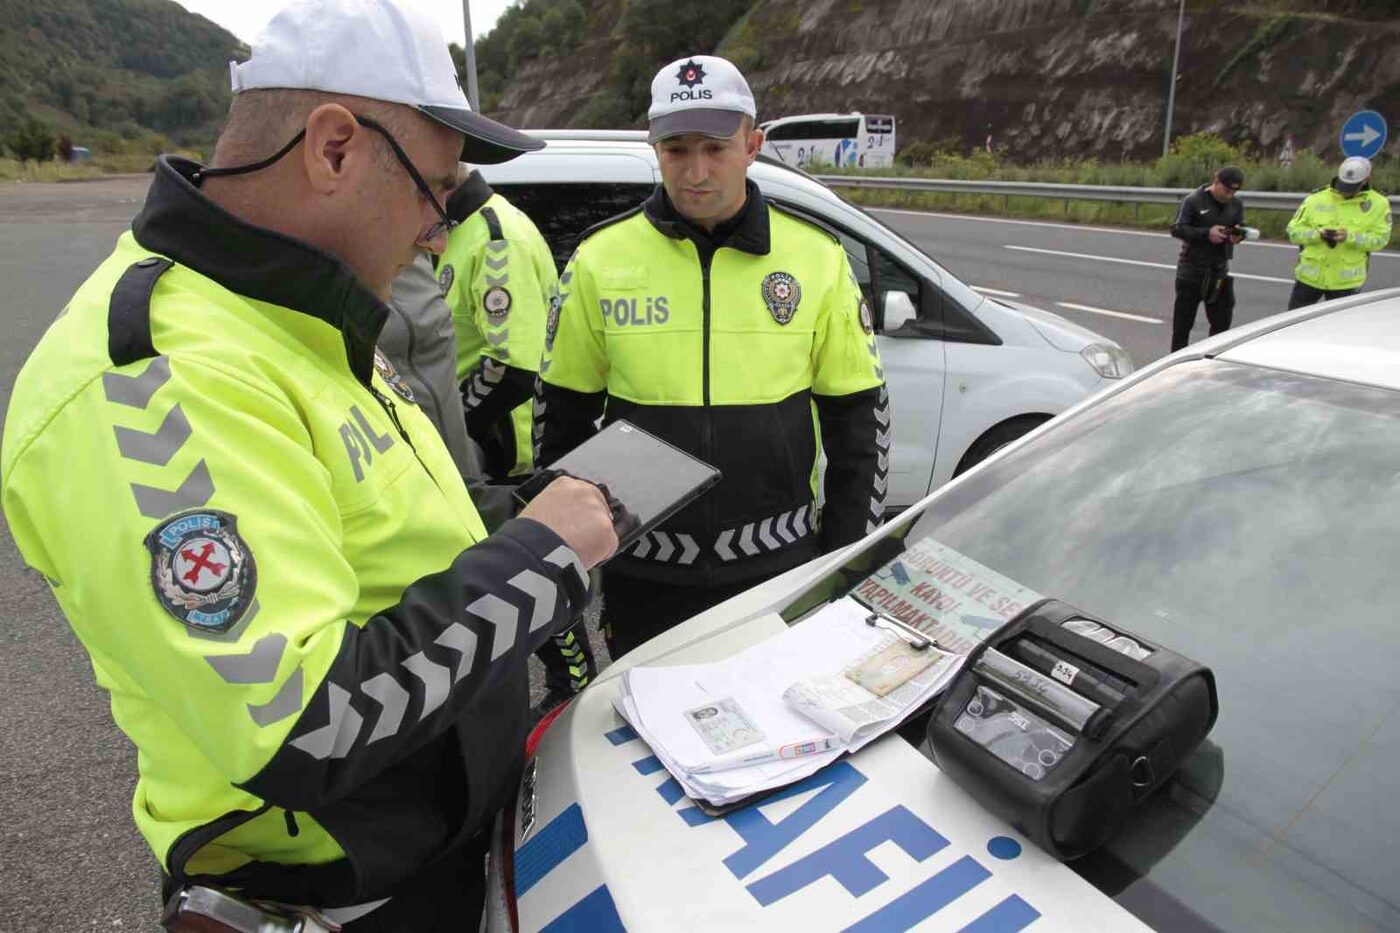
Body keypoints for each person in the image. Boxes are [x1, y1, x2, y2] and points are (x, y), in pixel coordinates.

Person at [0, 1, 619, 929]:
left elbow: (387, 529)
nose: (441, 233)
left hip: (445, 847)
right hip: (336, 898)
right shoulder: (160, 376)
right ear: (334, 148)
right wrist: (539, 557)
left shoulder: (291, 311)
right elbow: (303, 724)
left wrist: (517, 511)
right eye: (438, 190)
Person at [534, 55, 891, 660]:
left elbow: (859, 424)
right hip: (645, 576)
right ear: (655, 150)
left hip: (776, 569)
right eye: (676, 150)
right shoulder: (599, 259)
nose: (695, 171)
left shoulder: (816, 257)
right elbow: (559, 424)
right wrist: (563, 565)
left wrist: (845, 561)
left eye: (714, 148)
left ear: (752, 145)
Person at [426, 172, 600, 709]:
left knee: (538, 588)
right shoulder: (448, 229)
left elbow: (514, 369)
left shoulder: (496, 238)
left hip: (508, 451)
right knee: (490, 590)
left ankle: (572, 692)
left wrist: (445, 437)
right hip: (471, 450)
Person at [1285, 156, 1393, 310]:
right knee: (1292, 327)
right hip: (1309, 278)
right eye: (1344, 185)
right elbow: (1293, 232)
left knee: (1339, 331)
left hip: (1346, 283)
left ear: (1366, 179)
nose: (1346, 191)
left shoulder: (1379, 204)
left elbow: (1380, 240)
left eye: (1352, 187)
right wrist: (1318, 234)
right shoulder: (1315, 199)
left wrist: (1350, 237)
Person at [1169, 165, 1246, 352]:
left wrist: (1239, 235)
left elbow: (1240, 225)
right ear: (1216, 182)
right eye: (1227, 189)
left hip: (1219, 272)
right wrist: (1207, 233)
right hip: (1192, 271)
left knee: (1222, 327)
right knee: (1182, 326)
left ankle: (1212, 364)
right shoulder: (1193, 200)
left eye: (1234, 191)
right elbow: (1177, 229)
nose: (1230, 194)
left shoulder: (1236, 205)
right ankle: (1176, 364)